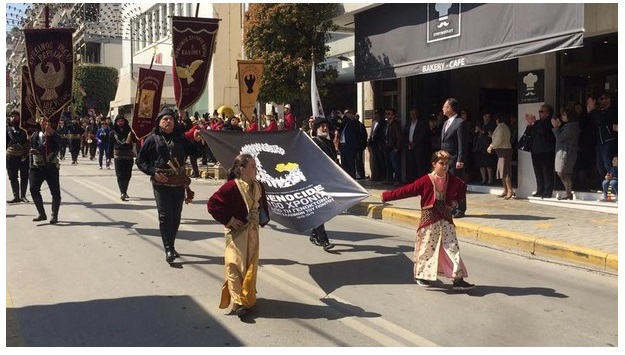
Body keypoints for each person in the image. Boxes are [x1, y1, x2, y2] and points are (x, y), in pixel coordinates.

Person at [381, 150, 475, 291]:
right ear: (434, 164)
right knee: (427, 248)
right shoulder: (426, 180)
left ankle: (458, 279)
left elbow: (462, 188)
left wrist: (455, 201)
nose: (444, 166)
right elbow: (407, 190)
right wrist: (386, 196)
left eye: (447, 163)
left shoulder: (452, 180)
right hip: (429, 219)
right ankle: (422, 275)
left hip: (446, 219)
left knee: (452, 247)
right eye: (441, 163)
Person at [207, 154, 270, 318]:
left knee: (249, 265)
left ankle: (248, 295)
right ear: (242, 169)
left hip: (253, 232)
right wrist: (229, 220)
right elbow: (213, 204)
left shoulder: (258, 185)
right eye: (253, 166)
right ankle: (239, 302)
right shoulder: (230, 187)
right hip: (236, 233)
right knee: (234, 265)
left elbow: (262, 205)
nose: (256, 170)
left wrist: (262, 219)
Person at [136, 107, 201, 263]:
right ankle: (169, 249)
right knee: (165, 216)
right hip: (160, 182)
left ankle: (171, 245)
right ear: (158, 122)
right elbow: (140, 161)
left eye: (170, 118)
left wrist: (198, 141)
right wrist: (152, 172)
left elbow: (195, 153)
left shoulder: (181, 138)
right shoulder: (152, 139)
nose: (168, 121)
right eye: (164, 119)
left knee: (176, 216)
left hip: (178, 182)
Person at [308, 116, 337, 251]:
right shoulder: (313, 142)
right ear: (316, 129)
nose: (325, 128)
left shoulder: (329, 142)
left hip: (327, 180)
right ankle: (324, 241)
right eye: (322, 126)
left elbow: (333, 160)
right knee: (319, 211)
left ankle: (314, 234)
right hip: (316, 181)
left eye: (326, 126)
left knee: (323, 210)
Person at [28, 116, 63, 224]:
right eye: (41, 119)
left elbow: (62, 143)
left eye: (46, 120)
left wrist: (52, 132)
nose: (43, 122)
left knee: (55, 192)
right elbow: (31, 148)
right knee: (33, 189)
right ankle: (41, 213)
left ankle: (54, 215)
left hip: (51, 166)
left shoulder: (54, 133)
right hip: (37, 167)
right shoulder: (34, 134)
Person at [440, 98, 469, 218]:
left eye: (444, 106)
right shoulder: (446, 123)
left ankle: (460, 208)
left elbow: (462, 143)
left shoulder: (460, 123)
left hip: (455, 158)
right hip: (446, 159)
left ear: (450, 108)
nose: (442, 108)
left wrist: (460, 160)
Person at [524, 104, 556, 198]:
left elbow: (543, 131)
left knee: (547, 171)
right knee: (538, 172)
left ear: (547, 113)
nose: (539, 113)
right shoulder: (536, 123)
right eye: (539, 111)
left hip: (546, 150)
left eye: (542, 111)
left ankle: (547, 191)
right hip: (535, 150)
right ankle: (540, 190)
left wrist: (534, 122)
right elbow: (528, 133)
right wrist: (530, 124)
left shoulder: (549, 122)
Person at [552, 107, 580, 200]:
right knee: (562, 172)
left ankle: (568, 192)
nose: (562, 117)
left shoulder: (571, 126)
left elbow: (560, 138)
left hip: (566, 152)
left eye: (564, 115)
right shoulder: (568, 125)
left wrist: (556, 127)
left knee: (563, 172)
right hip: (563, 151)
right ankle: (567, 192)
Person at [108, 115, 136, 201]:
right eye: (118, 121)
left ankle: (125, 190)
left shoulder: (130, 131)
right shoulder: (113, 132)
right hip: (118, 155)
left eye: (122, 121)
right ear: (116, 122)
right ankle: (122, 192)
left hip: (128, 155)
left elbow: (135, 140)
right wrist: (109, 157)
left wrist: (134, 133)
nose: (120, 122)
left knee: (127, 175)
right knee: (120, 175)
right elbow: (110, 145)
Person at [487, 112, 514, 199]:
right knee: (502, 171)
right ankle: (505, 189)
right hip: (502, 151)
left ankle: (510, 190)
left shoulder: (500, 127)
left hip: (503, 151)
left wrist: (491, 146)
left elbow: (498, 140)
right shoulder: (505, 127)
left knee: (505, 171)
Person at [6, 111, 30, 203]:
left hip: (22, 157)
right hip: (10, 157)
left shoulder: (24, 131)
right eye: (12, 116)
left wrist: (28, 140)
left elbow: (27, 143)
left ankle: (23, 196)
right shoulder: (6, 130)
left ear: (19, 118)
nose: (14, 118)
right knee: (12, 177)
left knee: (24, 176)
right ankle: (16, 196)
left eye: (16, 116)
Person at [404, 108, 431, 182]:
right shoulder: (408, 123)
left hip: (418, 147)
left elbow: (422, 135)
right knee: (410, 165)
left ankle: (421, 181)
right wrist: (407, 143)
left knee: (420, 165)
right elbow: (405, 134)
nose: (412, 115)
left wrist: (415, 143)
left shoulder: (421, 123)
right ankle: (411, 181)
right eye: (411, 114)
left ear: (417, 114)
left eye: (413, 114)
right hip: (409, 146)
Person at [384, 108, 402, 185]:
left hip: (393, 148)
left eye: (389, 114)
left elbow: (398, 137)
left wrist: (397, 147)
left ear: (393, 115)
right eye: (386, 113)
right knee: (388, 165)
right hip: (387, 147)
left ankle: (397, 180)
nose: (387, 115)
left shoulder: (395, 124)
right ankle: (389, 179)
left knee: (396, 165)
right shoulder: (387, 124)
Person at [367, 108, 387, 182]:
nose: (376, 115)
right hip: (373, 144)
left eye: (377, 114)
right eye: (375, 114)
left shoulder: (383, 123)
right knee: (374, 160)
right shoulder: (374, 122)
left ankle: (383, 176)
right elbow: (371, 133)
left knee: (381, 161)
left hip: (379, 144)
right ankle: (375, 176)